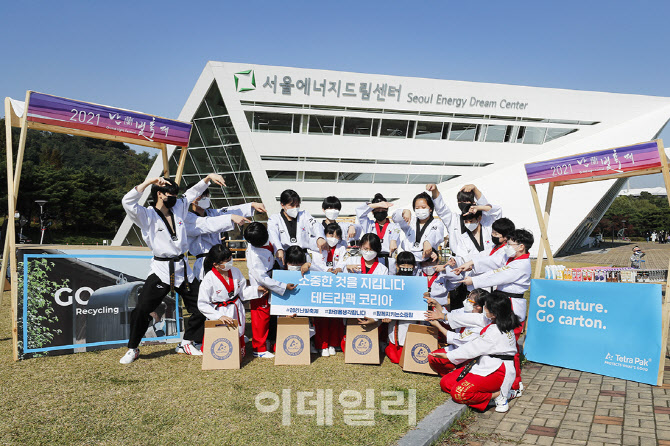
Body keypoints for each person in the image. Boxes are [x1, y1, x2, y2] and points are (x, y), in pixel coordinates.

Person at [119, 173, 226, 364]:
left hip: (183, 269)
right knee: (142, 309)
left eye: (176, 195)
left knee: (202, 305)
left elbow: (193, 193)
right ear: (160, 194)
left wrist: (208, 178)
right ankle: (133, 348)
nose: (174, 198)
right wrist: (149, 181)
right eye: (170, 194)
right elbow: (127, 202)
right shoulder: (147, 215)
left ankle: (186, 342)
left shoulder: (179, 208)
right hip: (160, 269)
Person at [428, 291, 520, 413]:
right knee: (446, 383)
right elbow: (473, 318)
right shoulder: (499, 321)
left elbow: (473, 348)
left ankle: (499, 394)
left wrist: (448, 356)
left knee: (459, 393)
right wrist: (444, 316)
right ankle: (491, 391)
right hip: (484, 364)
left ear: (493, 313)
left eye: (485, 307)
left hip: (498, 370)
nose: (483, 309)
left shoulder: (495, 332)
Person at [427, 183, 502, 309]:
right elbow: (441, 209)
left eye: (466, 201)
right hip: (459, 269)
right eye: (460, 201)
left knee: (485, 310)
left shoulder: (486, 223)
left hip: (485, 271)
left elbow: (495, 210)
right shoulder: (454, 220)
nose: (463, 203)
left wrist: (476, 191)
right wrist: (435, 191)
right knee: (459, 308)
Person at [186, 189, 266, 280]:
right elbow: (208, 224)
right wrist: (231, 217)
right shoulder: (188, 218)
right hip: (204, 261)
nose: (205, 198)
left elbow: (228, 210)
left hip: (220, 259)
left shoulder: (212, 213)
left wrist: (252, 205)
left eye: (206, 196)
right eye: (201, 196)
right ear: (192, 199)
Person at [244, 222, 297, 358]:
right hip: (262, 286)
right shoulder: (254, 255)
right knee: (260, 317)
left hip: (273, 274)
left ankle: (268, 342)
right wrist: (282, 286)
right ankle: (259, 348)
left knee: (271, 315)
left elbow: (275, 241)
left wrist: (279, 249)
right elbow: (261, 278)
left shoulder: (266, 235)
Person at [197, 244, 255, 357]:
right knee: (220, 339)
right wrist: (218, 316)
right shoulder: (209, 278)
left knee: (237, 333)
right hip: (219, 310)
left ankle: (238, 352)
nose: (230, 262)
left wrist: (257, 290)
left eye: (230, 259)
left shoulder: (236, 271)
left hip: (235, 307)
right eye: (226, 261)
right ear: (216, 264)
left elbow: (243, 292)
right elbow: (202, 303)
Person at [425, 289, 490, 376]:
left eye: (469, 300)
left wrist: (438, 325)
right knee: (433, 357)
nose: (466, 301)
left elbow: (459, 339)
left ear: (478, 306)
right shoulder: (465, 310)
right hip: (456, 346)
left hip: (467, 352)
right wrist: (436, 304)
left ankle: (457, 371)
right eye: (467, 298)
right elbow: (449, 316)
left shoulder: (481, 321)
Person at [268, 189, 327, 266]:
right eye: (291, 205)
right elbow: (273, 234)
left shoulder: (304, 215)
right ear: (282, 205)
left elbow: (315, 225)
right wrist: (278, 248)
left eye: (297, 205)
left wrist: (320, 237)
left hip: (303, 257)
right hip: (284, 256)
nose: (295, 208)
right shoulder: (275, 218)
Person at [384, 251, 419, 364]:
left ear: (414, 266)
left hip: (413, 319)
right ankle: (385, 346)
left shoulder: (419, 282)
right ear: (397, 266)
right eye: (403, 265)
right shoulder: (391, 281)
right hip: (396, 321)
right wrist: (386, 315)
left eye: (409, 265)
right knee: (396, 358)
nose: (406, 268)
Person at [392, 192, 444, 262]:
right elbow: (395, 218)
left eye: (423, 207)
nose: (420, 210)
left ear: (430, 209)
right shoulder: (411, 221)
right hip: (408, 261)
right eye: (417, 208)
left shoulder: (436, 223)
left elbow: (434, 234)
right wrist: (404, 212)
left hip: (427, 261)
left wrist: (428, 241)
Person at [355, 193, 401, 267]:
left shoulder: (394, 226)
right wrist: (376, 204)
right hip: (371, 258)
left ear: (387, 210)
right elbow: (359, 212)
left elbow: (397, 230)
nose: (380, 211)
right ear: (372, 211)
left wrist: (394, 240)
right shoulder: (369, 224)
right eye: (378, 209)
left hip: (388, 259)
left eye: (383, 209)